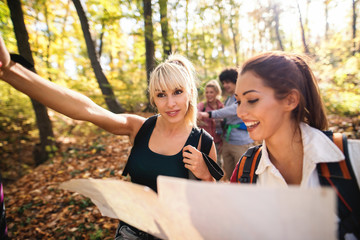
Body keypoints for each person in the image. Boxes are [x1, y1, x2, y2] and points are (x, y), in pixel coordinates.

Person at [0, 36, 221, 239]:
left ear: (190, 92)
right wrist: (9, 70)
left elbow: (217, 209)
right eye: (161, 95)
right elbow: (86, 110)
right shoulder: (140, 128)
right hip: (130, 231)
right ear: (153, 98)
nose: (170, 103)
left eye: (177, 92)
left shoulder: (204, 143)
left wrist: (206, 176)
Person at [230, 51, 360, 239]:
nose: (240, 112)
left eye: (252, 100)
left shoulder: (353, 160)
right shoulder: (246, 170)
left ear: (291, 100)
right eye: (238, 101)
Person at [198, 68, 254, 180]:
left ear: (236, 81)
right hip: (227, 142)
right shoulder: (228, 99)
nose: (225, 85)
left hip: (241, 143)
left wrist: (208, 114)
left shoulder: (243, 97)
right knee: (230, 175)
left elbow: (231, 110)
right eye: (223, 83)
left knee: (243, 176)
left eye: (228, 82)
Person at [197, 80, 224, 167]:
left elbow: (225, 126)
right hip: (204, 142)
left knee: (217, 165)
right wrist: (201, 121)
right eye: (207, 92)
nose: (208, 95)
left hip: (218, 142)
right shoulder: (202, 106)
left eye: (211, 92)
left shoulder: (222, 107)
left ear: (217, 92)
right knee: (204, 165)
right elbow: (194, 116)